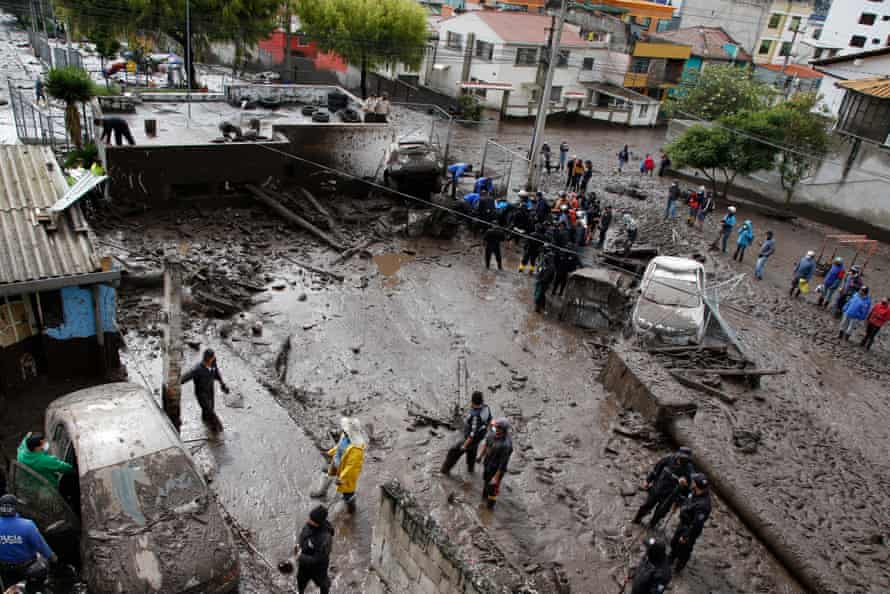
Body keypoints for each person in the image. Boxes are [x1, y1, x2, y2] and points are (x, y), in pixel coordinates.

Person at [0, 495, 57, 594]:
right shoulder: (27, 525)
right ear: (15, 507)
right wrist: (53, 558)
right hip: (27, 569)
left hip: (5, 569)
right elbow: (41, 546)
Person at [633, 447, 694, 529]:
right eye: (681, 457)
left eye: (685, 458)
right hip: (657, 488)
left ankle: (652, 525)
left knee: (660, 513)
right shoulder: (668, 459)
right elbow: (656, 469)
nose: (682, 460)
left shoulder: (689, 471)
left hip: (669, 497)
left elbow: (687, 491)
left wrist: (678, 504)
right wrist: (648, 481)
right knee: (646, 505)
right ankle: (637, 519)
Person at [669, 473, 711, 573]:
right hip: (683, 523)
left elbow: (697, 524)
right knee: (675, 542)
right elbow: (687, 497)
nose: (692, 482)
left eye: (694, 481)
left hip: (690, 529)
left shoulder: (704, 506)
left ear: (697, 485)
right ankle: (671, 558)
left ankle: (680, 565)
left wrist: (686, 536)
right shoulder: (694, 491)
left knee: (684, 549)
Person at [442, 391, 492, 474]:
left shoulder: (475, 416)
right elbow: (490, 420)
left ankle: (444, 471)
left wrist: (464, 446)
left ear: (472, 401)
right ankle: (471, 469)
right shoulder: (486, 408)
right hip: (478, 438)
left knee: (453, 451)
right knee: (472, 452)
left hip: (470, 439)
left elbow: (472, 434)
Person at [181, 348, 230, 432]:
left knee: (209, 408)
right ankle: (218, 429)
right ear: (208, 359)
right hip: (201, 393)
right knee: (209, 410)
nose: (214, 358)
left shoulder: (213, 363)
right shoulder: (197, 369)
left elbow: (216, 373)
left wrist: (222, 384)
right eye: (212, 357)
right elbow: (185, 377)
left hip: (210, 390)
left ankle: (205, 420)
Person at [325, 417, 366, 513]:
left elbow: (350, 467)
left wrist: (341, 478)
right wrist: (330, 452)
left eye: (346, 430)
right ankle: (321, 491)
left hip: (346, 473)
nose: (343, 431)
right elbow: (339, 446)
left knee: (348, 492)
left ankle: (351, 508)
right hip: (336, 462)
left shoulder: (356, 449)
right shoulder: (345, 435)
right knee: (326, 473)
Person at [295, 505, 334, 594]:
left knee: (323, 584)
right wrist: (299, 544)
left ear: (318, 523)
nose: (308, 521)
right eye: (310, 518)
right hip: (304, 566)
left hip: (318, 568)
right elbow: (303, 535)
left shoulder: (325, 539)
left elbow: (318, 559)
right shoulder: (309, 525)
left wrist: (300, 556)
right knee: (300, 580)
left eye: (312, 520)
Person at [477, 417, 513, 509]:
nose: (496, 430)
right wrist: (480, 456)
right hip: (487, 463)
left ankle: (489, 508)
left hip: (496, 469)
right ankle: (483, 499)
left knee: (493, 489)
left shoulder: (506, 445)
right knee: (486, 483)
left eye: (498, 428)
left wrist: (496, 478)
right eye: (496, 427)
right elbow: (486, 444)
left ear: (503, 430)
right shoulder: (492, 433)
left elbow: (503, 464)